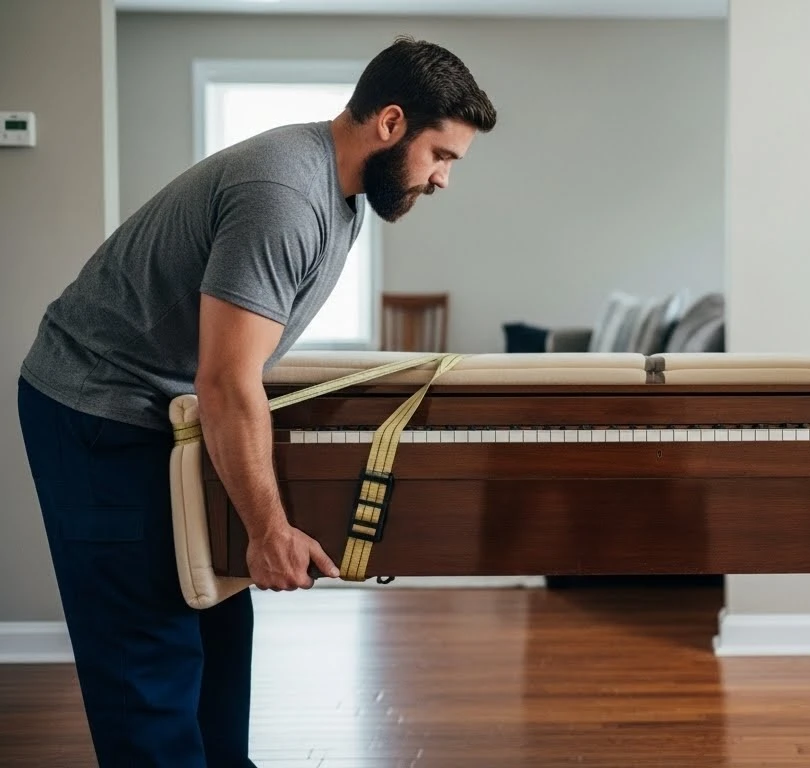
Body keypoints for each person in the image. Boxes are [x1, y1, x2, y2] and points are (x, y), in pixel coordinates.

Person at [16, 36, 496, 767]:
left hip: (170, 412)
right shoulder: (285, 194)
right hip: (97, 409)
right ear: (391, 124)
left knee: (213, 616)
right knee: (148, 651)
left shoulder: (340, 201)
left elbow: (241, 360)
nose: (442, 180)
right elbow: (225, 380)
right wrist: (268, 528)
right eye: (442, 155)